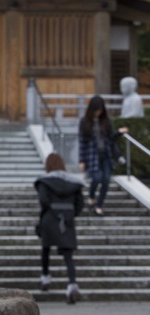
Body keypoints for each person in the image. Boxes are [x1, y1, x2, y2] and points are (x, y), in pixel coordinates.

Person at [34, 153, 85, 304]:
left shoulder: (44, 182)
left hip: (50, 217)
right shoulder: (74, 183)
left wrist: (48, 213)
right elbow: (80, 203)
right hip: (67, 218)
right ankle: (71, 285)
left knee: (46, 248)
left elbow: (43, 200)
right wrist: (70, 214)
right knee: (68, 255)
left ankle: (45, 278)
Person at [78, 95, 128, 216]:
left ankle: (98, 205)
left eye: (100, 110)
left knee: (106, 180)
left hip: (106, 155)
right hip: (92, 155)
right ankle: (91, 196)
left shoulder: (105, 121)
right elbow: (82, 142)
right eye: (96, 110)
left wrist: (119, 133)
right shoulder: (84, 122)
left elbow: (110, 138)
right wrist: (82, 160)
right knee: (96, 178)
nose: (98, 113)